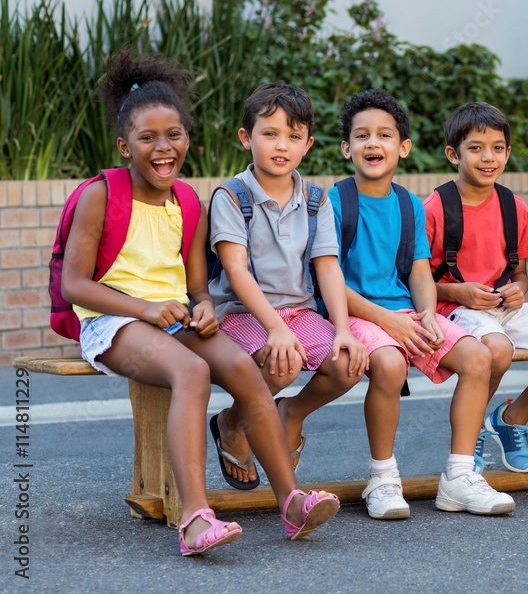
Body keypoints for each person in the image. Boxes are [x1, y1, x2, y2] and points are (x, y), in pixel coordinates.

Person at [61, 52, 338, 556]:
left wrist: (206, 306)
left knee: (240, 367)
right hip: (112, 320)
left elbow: (198, 287)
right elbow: (74, 285)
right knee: (193, 372)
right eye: (148, 138)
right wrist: (143, 308)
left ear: (188, 137)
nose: (164, 148)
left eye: (175, 135)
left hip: (172, 318)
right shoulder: (100, 195)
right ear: (125, 146)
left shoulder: (189, 202)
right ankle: (193, 517)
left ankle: (292, 501)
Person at [331, 89, 515, 517]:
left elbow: (418, 272)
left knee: (477, 357)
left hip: (405, 311)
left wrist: (429, 313)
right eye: (362, 136)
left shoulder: (409, 204)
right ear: (346, 148)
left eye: (384, 135)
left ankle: (458, 476)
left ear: (403, 147)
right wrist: (388, 322)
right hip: (354, 310)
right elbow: (330, 281)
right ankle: (383, 477)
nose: (373, 144)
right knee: (392, 365)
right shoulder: (335, 202)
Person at [209, 82, 369, 488]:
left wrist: (345, 329)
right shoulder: (232, 195)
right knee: (282, 364)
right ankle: (231, 421)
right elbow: (237, 270)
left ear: (308, 144)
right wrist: (276, 328)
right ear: (246, 138)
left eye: (293, 137)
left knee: (349, 363)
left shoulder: (317, 200)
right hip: (243, 313)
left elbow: (328, 267)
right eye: (270, 134)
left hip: (299, 312)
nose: (282, 146)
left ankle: (291, 413)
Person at [424, 102, 528, 473]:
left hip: (503, 306)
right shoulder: (436, 208)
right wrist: (458, 292)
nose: (489, 157)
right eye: (475, 148)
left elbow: (519, 273)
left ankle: (509, 420)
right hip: (453, 308)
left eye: (498, 148)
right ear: (453, 154)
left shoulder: (512, 206)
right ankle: (467, 448)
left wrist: (518, 288)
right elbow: (414, 282)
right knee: (497, 350)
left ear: (508, 152)